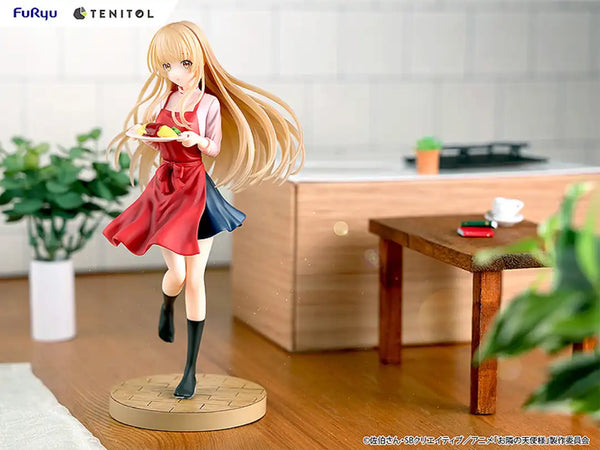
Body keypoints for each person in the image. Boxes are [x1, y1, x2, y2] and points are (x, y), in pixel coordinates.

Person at [102, 21, 304, 399]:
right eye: (166, 66)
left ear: (198, 60)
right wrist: (145, 135)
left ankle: (190, 370)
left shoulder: (209, 103)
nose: (175, 73)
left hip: (196, 190)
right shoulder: (163, 101)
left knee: (196, 277)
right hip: (165, 188)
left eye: (182, 63)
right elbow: (155, 138)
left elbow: (213, 147)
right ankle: (167, 303)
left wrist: (196, 139)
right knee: (176, 273)